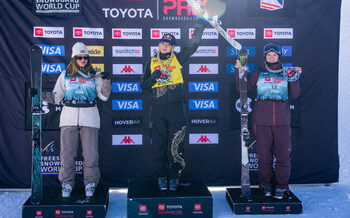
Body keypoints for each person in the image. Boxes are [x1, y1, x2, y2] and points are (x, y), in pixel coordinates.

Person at [29, 42, 111, 197]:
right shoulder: (65, 75)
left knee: (91, 154)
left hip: (90, 118)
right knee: (67, 154)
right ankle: (66, 183)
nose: (82, 59)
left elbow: (104, 96)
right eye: (79, 57)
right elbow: (56, 97)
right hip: (68, 118)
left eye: (85, 57)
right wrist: (38, 94)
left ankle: (91, 182)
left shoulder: (95, 75)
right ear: (74, 58)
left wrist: (106, 82)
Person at [139, 19, 206, 191]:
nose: (165, 46)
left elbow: (192, 46)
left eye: (168, 44)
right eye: (162, 43)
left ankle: (174, 176)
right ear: (159, 44)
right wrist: (152, 77)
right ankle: (162, 176)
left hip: (176, 107)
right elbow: (143, 85)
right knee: (158, 145)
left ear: (173, 47)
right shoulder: (151, 62)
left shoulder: (179, 58)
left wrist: (199, 27)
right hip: (158, 108)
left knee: (175, 144)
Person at [235, 42, 302, 199]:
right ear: (265, 56)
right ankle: (265, 184)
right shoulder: (259, 73)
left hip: (282, 121)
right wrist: (239, 70)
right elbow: (242, 89)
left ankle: (281, 186)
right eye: (269, 55)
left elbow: (295, 94)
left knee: (283, 156)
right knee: (264, 156)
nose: (271, 57)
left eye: (274, 55)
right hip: (262, 120)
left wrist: (294, 77)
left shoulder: (286, 72)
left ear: (279, 57)